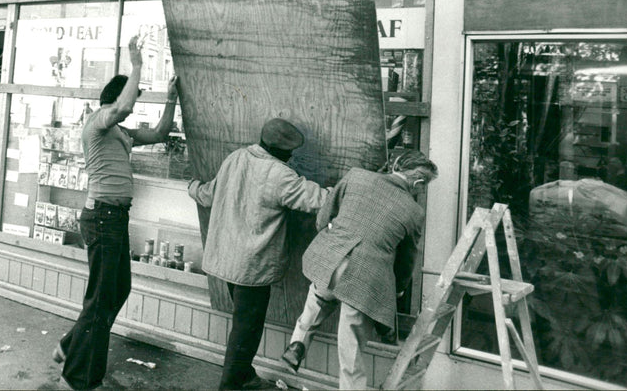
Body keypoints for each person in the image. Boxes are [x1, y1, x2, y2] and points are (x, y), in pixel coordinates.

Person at [54, 35, 179, 390]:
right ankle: (77, 378)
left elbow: (159, 133)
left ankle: (68, 347)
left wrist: (171, 100)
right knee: (100, 297)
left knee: (116, 289)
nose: (135, 103)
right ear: (116, 97)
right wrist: (137, 65)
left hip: (114, 219)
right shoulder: (99, 121)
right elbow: (122, 107)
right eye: (133, 95)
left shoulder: (121, 133)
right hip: (103, 218)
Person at [189, 118, 331, 390]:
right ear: (281, 151)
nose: (291, 158)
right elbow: (319, 201)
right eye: (289, 153)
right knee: (247, 328)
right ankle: (229, 385)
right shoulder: (280, 175)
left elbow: (207, 194)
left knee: (243, 323)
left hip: (226, 261)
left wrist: (192, 186)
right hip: (251, 268)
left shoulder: (236, 157)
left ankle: (244, 375)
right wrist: (352, 192)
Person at [281, 150, 438, 389]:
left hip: (330, 257)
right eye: (424, 186)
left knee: (319, 297)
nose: (421, 191)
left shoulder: (356, 176)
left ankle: (298, 344)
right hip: (365, 278)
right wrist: (398, 290)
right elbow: (407, 262)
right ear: (417, 182)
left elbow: (324, 216)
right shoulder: (414, 212)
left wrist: (330, 235)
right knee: (350, 347)